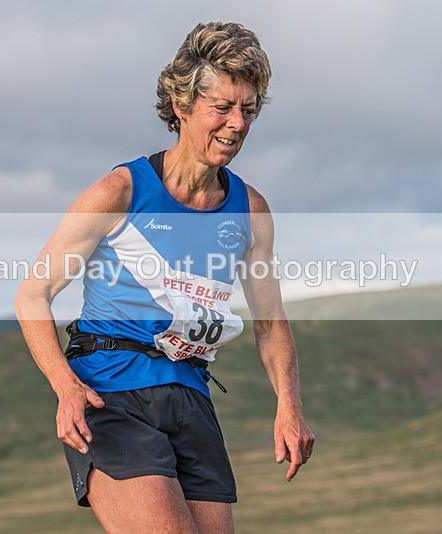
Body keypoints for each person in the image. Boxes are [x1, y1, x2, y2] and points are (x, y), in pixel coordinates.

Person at [15, 21, 314, 533]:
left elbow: (270, 323)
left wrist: (289, 407)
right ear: (181, 106)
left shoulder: (250, 210)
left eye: (248, 109)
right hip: (111, 392)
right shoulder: (119, 191)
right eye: (222, 107)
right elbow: (33, 294)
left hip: (190, 397)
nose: (237, 123)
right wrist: (65, 387)